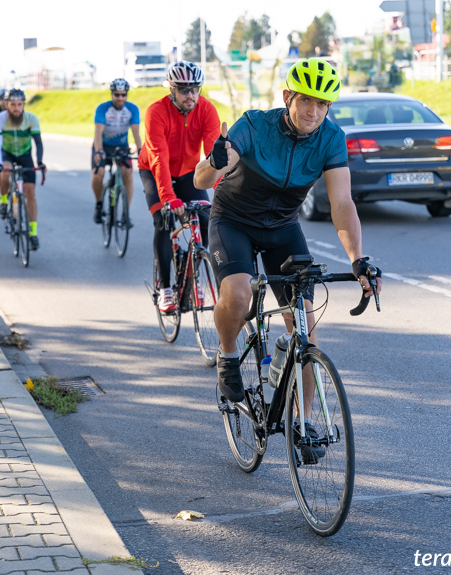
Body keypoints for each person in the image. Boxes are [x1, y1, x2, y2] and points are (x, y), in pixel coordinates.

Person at [193, 58, 383, 453]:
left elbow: (342, 203)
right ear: (287, 98)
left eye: (322, 104)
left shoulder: (330, 138)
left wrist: (357, 259)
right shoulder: (253, 125)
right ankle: (228, 355)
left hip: (282, 227)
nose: (313, 111)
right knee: (241, 294)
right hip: (234, 221)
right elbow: (202, 181)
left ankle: (305, 422)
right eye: (305, 101)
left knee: (305, 327)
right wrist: (214, 162)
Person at [138, 61, 220, 313]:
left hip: (187, 173)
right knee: (163, 222)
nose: (191, 95)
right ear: (171, 91)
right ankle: (165, 289)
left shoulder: (206, 110)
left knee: (207, 219)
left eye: (195, 89)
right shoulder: (156, 112)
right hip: (153, 170)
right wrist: (168, 198)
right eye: (184, 90)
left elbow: (213, 156)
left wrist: (223, 189)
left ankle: (195, 267)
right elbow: (159, 157)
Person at [0, 88, 46, 251]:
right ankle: (3, 201)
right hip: (7, 154)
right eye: (13, 105)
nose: (16, 108)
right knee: (5, 173)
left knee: (30, 194)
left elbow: (38, 142)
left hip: (25, 154)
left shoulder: (31, 119)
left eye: (19, 105)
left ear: (24, 105)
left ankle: (33, 233)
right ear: (6, 105)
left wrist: (40, 161)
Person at [91, 78, 142, 227]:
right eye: (117, 95)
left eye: (123, 95)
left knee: (128, 175)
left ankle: (126, 213)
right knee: (98, 173)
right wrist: (99, 151)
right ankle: (99, 204)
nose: (120, 98)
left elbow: (136, 132)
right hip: (103, 145)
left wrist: (140, 151)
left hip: (121, 147)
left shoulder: (132, 109)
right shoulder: (103, 108)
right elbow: (98, 132)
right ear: (112, 94)